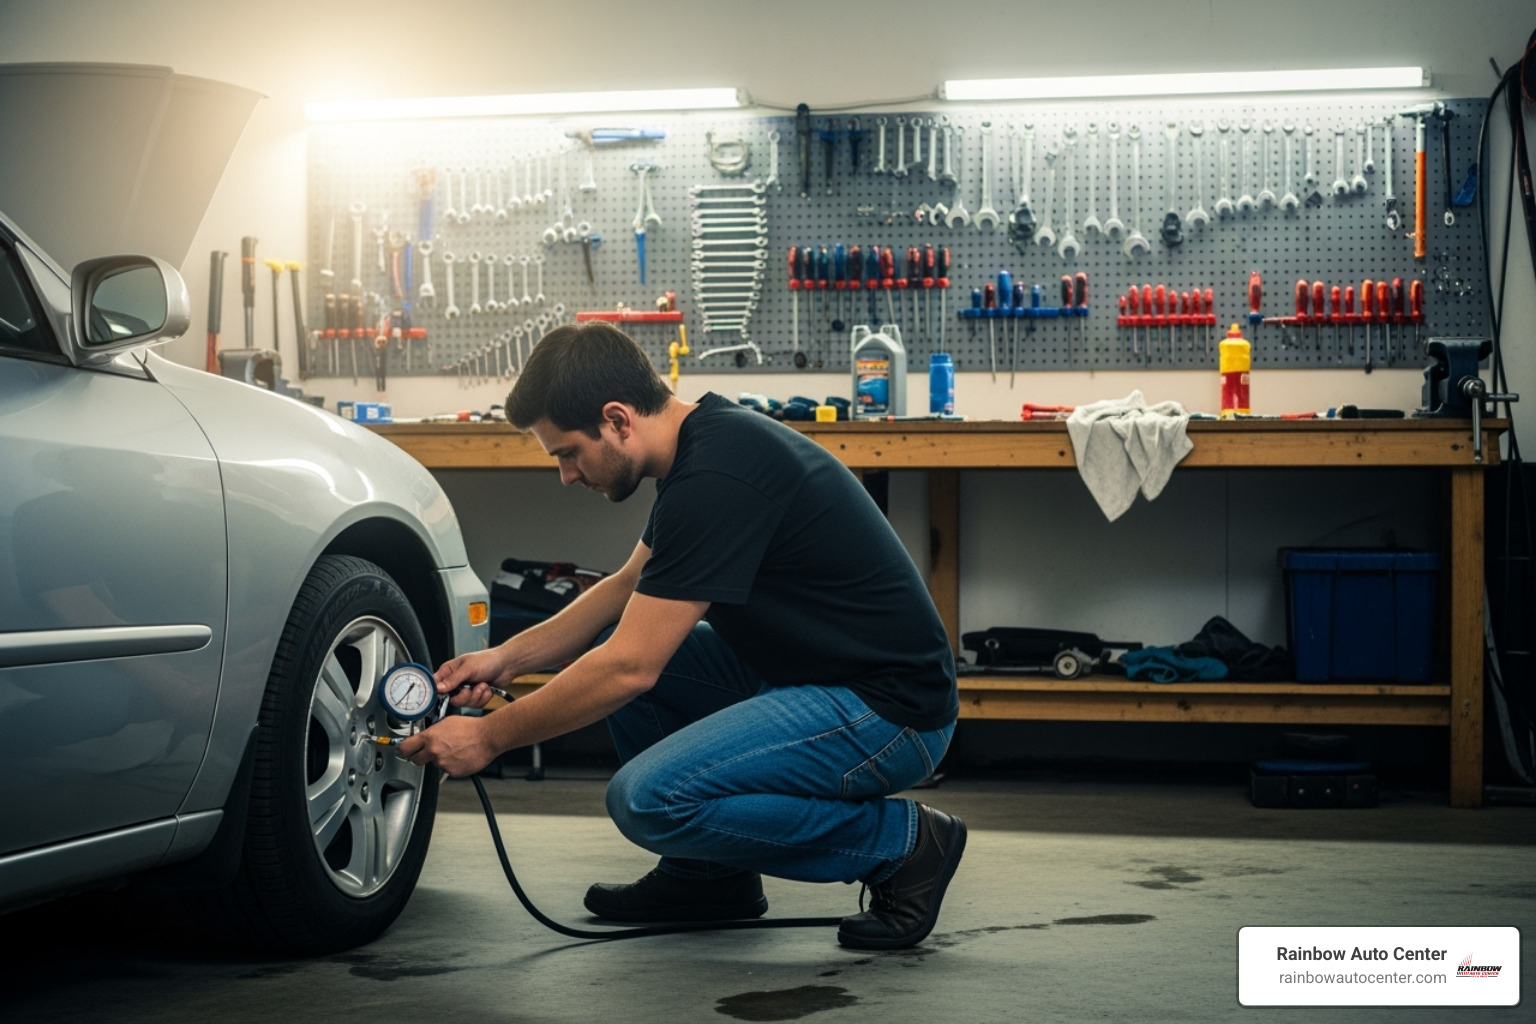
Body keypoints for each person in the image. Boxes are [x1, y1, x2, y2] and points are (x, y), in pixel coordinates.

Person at [399, 322, 964, 951]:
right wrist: (504, 658)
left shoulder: (717, 477)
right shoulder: (703, 447)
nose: (565, 475)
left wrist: (489, 737)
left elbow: (629, 668)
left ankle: (903, 845)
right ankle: (707, 876)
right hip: (813, 675)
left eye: (567, 453)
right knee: (621, 649)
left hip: (889, 711)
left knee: (648, 800)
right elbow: (624, 588)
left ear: (617, 420)